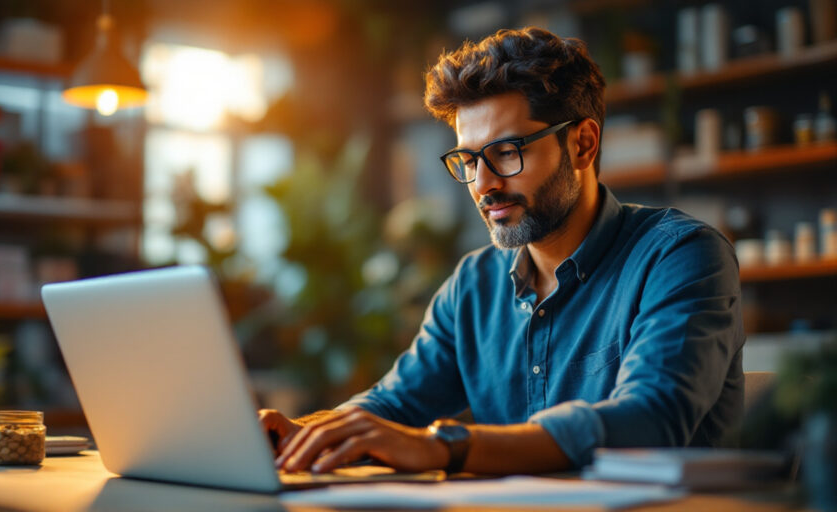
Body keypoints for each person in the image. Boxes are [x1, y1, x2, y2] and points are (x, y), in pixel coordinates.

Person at [259, 27, 744, 476]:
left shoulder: (680, 256)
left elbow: (651, 418)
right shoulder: (473, 285)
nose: (484, 184)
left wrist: (446, 446)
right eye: (468, 159)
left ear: (583, 144)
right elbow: (393, 405)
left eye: (508, 152)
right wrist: (305, 434)